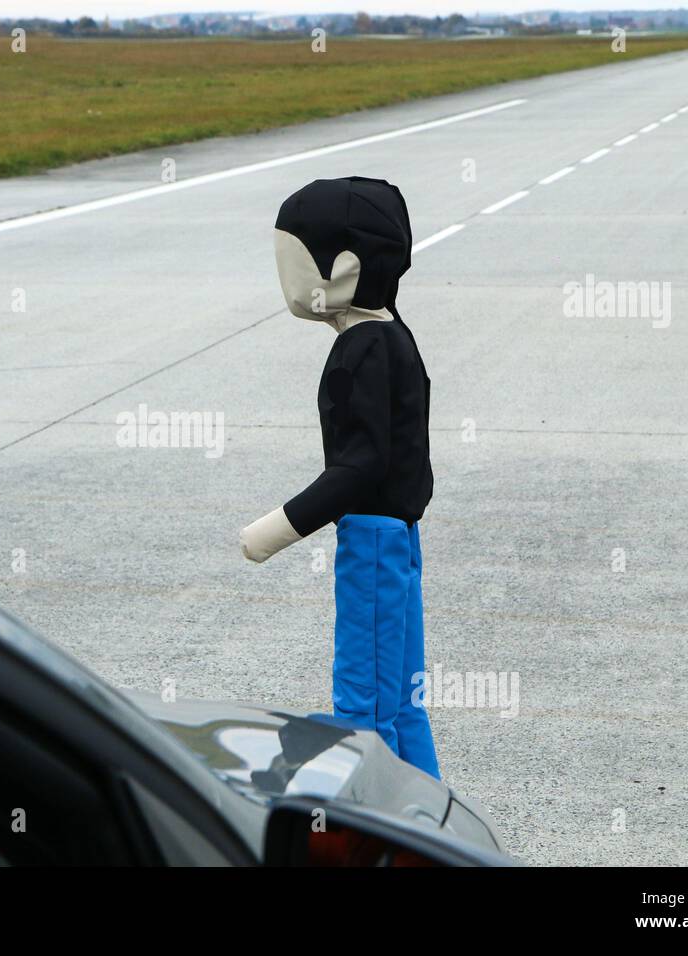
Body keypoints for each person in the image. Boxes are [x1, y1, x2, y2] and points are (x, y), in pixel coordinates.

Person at [239, 176, 440, 780]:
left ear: (344, 271)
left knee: (364, 711)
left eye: (295, 263)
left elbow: (361, 465)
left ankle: (377, 834)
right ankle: (431, 821)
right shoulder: (391, 335)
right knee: (400, 704)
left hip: (374, 544)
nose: (288, 281)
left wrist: (277, 527)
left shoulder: (362, 350)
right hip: (399, 538)